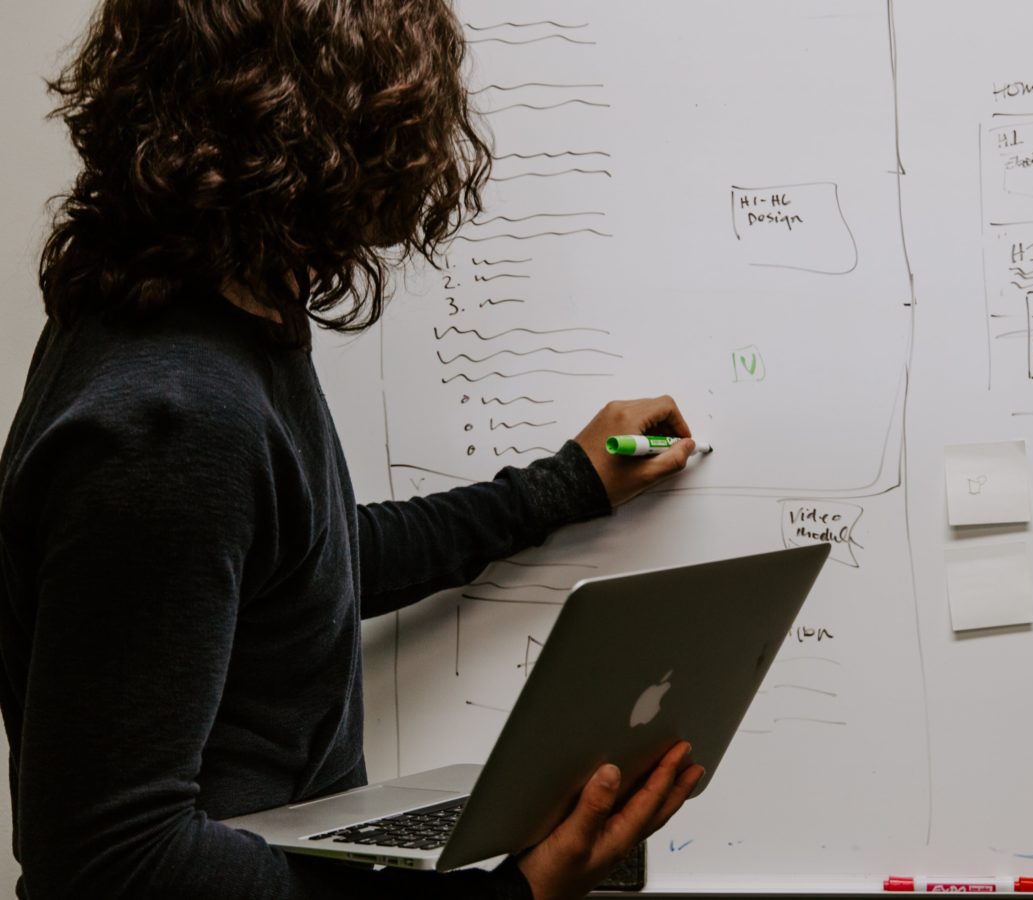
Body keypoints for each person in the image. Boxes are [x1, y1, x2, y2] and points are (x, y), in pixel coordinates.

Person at [0, 0, 706, 897]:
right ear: (333, 130)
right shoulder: (170, 417)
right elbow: (110, 862)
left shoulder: (216, 320)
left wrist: (565, 487)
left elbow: (299, 572)